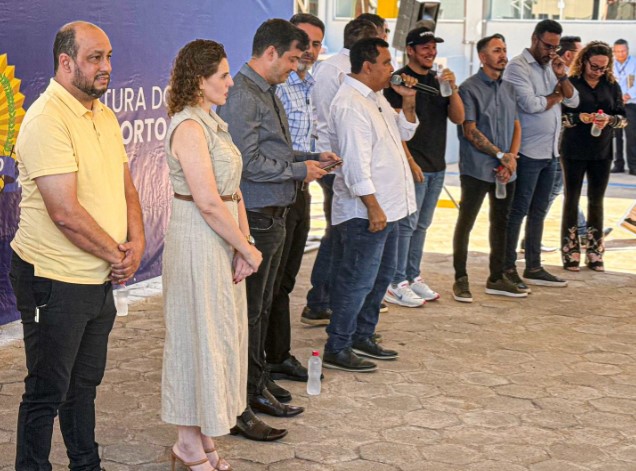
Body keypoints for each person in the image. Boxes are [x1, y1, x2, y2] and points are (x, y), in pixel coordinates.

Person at [9, 21, 145, 470]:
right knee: (47, 390)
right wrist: (118, 255)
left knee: (83, 386)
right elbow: (64, 211)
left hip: (98, 278)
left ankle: (86, 464)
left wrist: (137, 244)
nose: (107, 67)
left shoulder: (102, 114)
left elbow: (127, 187)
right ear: (65, 63)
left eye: (108, 57)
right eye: (95, 58)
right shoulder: (46, 119)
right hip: (53, 280)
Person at [217, 19, 339, 441]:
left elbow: (275, 151)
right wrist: (299, 170)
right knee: (250, 313)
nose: (295, 67)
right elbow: (247, 163)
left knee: (263, 308)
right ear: (269, 53)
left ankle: (257, 384)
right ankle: (243, 400)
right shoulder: (243, 95)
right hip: (256, 215)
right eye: (291, 59)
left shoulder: (266, 91)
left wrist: (309, 157)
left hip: (274, 212)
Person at [161, 40, 263, 471]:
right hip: (197, 242)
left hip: (221, 238)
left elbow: (232, 191)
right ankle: (186, 444)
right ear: (200, 81)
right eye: (222, 75)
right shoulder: (188, 127)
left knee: (218, 336)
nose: (231, 82)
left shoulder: (212, 123)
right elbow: (206, 201)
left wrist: (244, 242)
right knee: (194, 337)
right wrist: (246, 248)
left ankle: (203, 436)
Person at [323, 37, 418, 372]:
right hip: (366, 212)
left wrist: (408, 101)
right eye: (387, 63)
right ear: (367, 66)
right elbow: (355, 165)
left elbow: (404, 134)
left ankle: (363, 335)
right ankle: (338, 346)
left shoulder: (375, 97)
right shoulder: (350, 104)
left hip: (390, 207)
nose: (393, 69)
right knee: (357, 280)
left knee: (381, 276)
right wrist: (373, 207)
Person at [301, 18, 379, 326]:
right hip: (335, 164)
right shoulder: (333, 70)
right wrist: (335, 163)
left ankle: (334, 299)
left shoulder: (342, 70)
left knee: (342, 234)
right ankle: (320, 301)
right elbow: (330, 122)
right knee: (339, 235)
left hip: (346, 163)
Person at [383, 27, 465, 307]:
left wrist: (452, 88)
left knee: (422, 225)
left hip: (437, 165)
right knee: (406, 225)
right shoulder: (399, 81)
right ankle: (396, 281)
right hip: (413, 164)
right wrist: (409, 161)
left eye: (433, 47)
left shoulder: (438, 81)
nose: (431, 52)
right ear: (410, 50)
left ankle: (411, 274)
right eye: (425, 47)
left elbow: (459, 118)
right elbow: (395, 129)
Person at [267, 13, 325, 390]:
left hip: (301, 189)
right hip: (276, 192)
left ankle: (277, 355)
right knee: (270, 283)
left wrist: (318, 158)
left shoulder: (309, 85)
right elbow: (269, 151)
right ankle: (264, 363)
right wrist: (305, 163)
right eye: (303, 41)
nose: (308, 50)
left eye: (316, 44)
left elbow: (300, 142)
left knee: (286, 280)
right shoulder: (276, 85)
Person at [502, 19, 579, 289]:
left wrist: (562, 77)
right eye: (547, 46)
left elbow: (574, 100)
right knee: (518, 211)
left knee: (538, 211)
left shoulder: (552, 67)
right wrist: (555, 97)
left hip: (550, 152)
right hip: (526, 152)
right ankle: (507, 267)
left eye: (555, 47)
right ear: (535, 39)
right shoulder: (517, 67)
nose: (551, 52)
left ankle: (533, 266)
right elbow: (531, 104)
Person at [452, 34, 527, 302]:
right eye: (496, 50)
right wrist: (500, 155)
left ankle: (496, 278)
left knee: (501, 223)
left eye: (504, 49)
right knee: (466, 223)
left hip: (506, 170)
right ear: (483, 57)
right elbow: (470, 131)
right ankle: (460, 278)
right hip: (477, 168)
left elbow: (516, 125)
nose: (503, 55)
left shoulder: (509, 88)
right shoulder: (469, 88)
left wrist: (512, 158)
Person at [560, 41, 627, 272]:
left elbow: (623, 118)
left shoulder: (611, 85)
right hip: (574, 149)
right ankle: (570, 251)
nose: (598, 71)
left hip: (602, 150)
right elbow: (560, 116)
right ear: (584, 61)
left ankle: (595, 252)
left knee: (596, 201)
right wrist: (579, 118)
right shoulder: (572, 83)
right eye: (594, 66)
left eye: (603, 67)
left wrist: (609, 120)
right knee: (571, 199)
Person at [611, 39, 636, 175]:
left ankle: (633, 166)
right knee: (616, 136)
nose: (621, 54)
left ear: (627, 50)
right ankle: (618, 164)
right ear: (614, 51)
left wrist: (627, 95)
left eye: (623, 51)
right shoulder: (610, 64)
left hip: (630, 103)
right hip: (615, 104)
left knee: (632, 136)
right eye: (618, 51)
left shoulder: (634, 63)